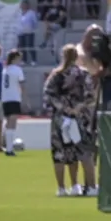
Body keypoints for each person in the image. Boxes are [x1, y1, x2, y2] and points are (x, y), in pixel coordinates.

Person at [44, 41, 98, 197]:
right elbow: (91, 97)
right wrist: (78, 108)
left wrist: (63, 108)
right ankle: (90, 186)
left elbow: (48, 95)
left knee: (60, 153)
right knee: (84, 152)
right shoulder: (84, 74)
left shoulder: (55, 74)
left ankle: (63, 188)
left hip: (60, 118)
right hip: (81, 118)